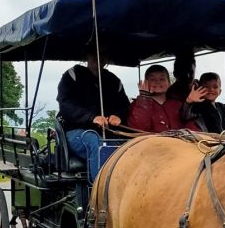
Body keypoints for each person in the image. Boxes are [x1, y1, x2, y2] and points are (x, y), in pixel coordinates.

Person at [57, 43, 129, 180]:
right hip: (75, 131)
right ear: (87, 56)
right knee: (94, 141)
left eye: (103, 54)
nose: (98, 58)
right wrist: (91, 118)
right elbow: (65, 104)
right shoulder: (72, 75)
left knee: (127, 144)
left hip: (107, 132)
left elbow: (124, 105)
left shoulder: (114, 81)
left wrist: (118, 116)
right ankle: (99, 194)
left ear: (107, 58)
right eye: (94, 54)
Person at [128, 64, 184, 132]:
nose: (157, 82)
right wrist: (144, 99)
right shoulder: (137, 104)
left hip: (178, 141)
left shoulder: (178, 105)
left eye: (162, 79)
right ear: (146, 83)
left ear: (169, 83)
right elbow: (136, 129)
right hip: (151, 141)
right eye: (153, 79)